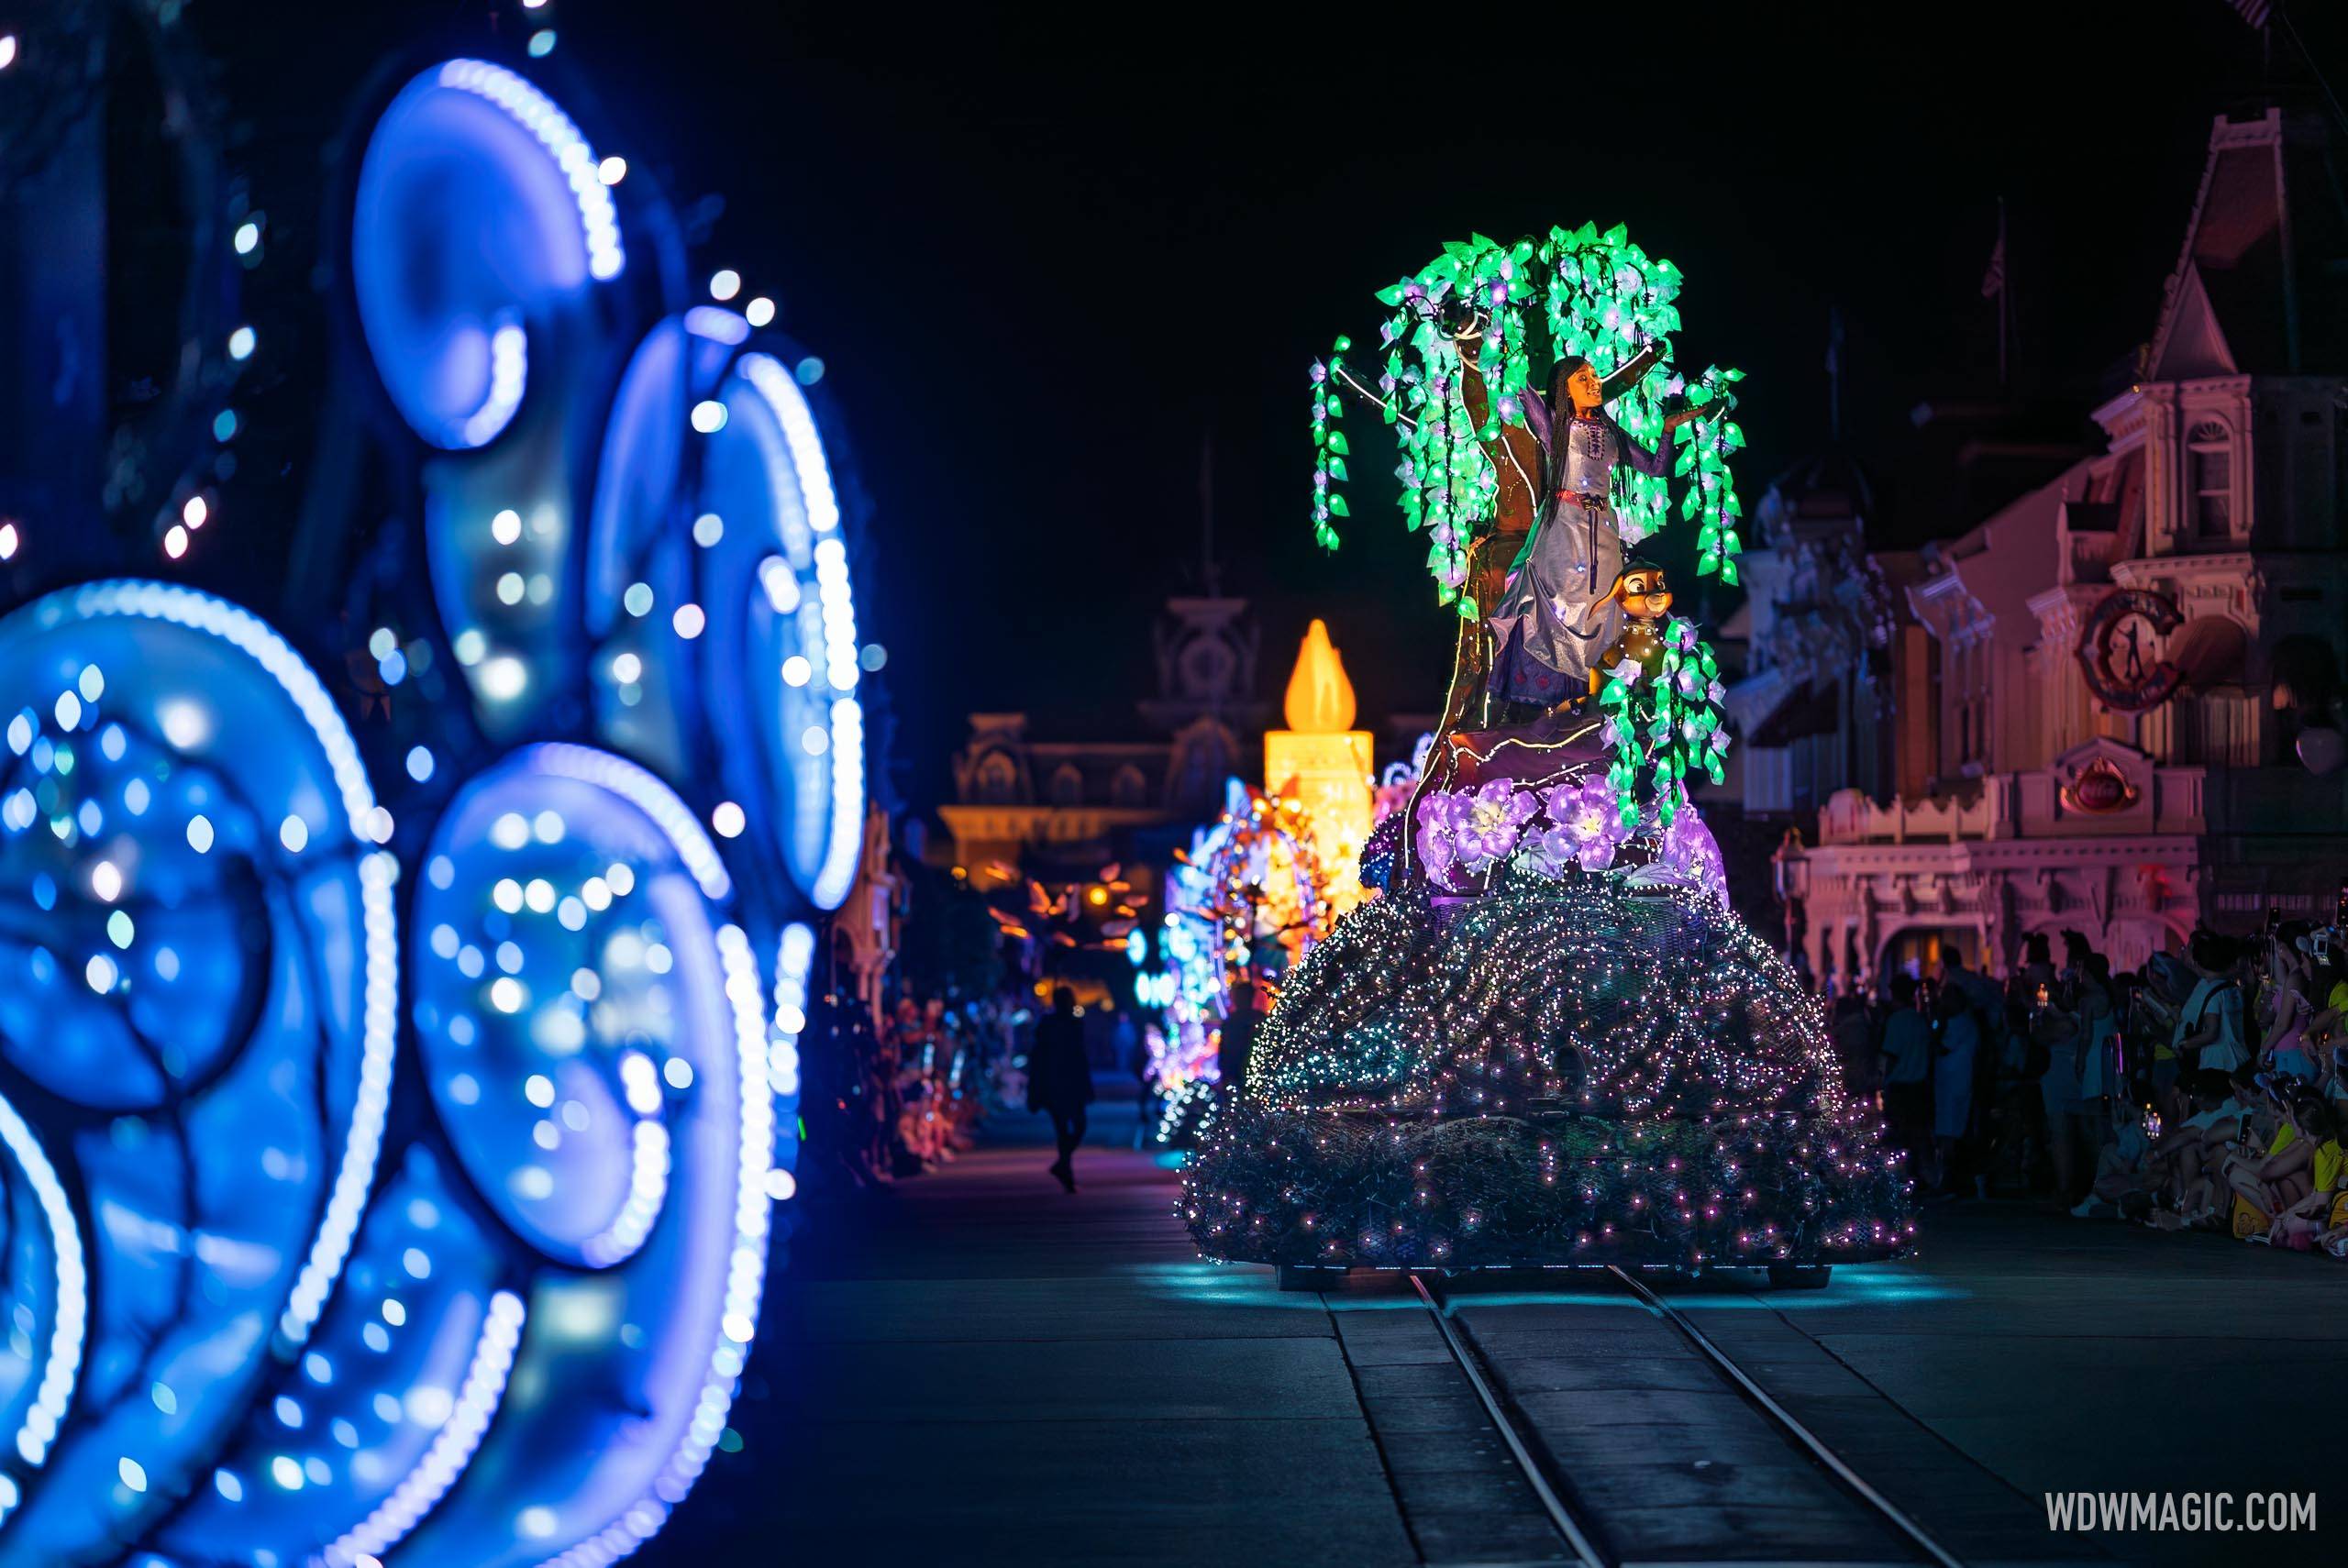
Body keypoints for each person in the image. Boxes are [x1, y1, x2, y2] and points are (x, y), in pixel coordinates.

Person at [1028, 987, 1094, 1193]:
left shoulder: (1073, 1024)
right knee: (1063, 1129)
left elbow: (1080, 1055)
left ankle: (1063, 1165)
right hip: (1056, 1082)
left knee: (1077, 1126)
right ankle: (1066, 1173)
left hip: (1069, 1082)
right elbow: (1040, 1054)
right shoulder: (1049, 1025)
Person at [1931, 983, 1979, 1195]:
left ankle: (1949, 1180)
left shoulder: (1962, 1023)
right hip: (1947, 1083)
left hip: (1955, 1084)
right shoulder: (1959, 1022)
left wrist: (1937, 1025)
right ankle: (1947, 1178)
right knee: (1945, 1130)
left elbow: (1941, 1046)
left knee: (1950, 1131)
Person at [1878, 975, 1933, 1166]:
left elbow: (1891, 1056)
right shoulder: (1920, 1020)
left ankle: (1902, 1179)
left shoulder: (1896, 1021)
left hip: (1900, 1086)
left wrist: (1883, 1082)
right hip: (1919, 1085)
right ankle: (1921, 1175)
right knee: (1918, 1134)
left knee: (1897, 1136)